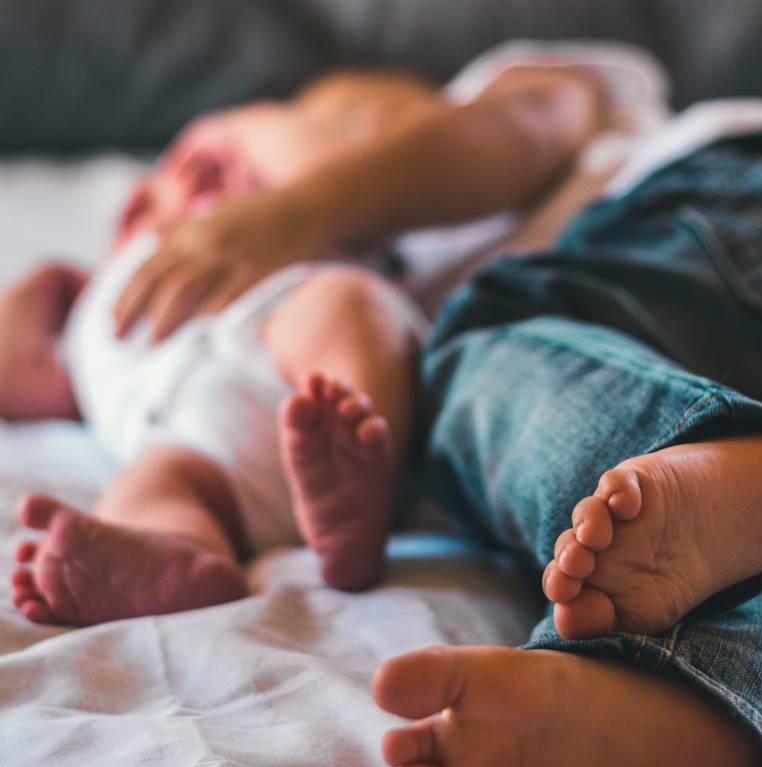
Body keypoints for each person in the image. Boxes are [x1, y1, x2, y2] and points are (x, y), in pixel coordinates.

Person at [367, 102, 762, 767]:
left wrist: (285, 212)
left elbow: (527, 116)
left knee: (479, 348)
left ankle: (694, 450)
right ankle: (673, 700)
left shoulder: (589, 102)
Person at [4, 55, 609, 626]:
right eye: (206, 160)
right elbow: (24, 377)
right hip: (187, 446)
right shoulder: (103, 288)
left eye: (248, 162)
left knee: (346, 307)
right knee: (153, 487)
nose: (207, 170)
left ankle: (359, 465)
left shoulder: (341, 254)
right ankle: (170, 558)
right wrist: (46, 291)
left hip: (283, 370)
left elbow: (533, 119)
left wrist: (294, 211)